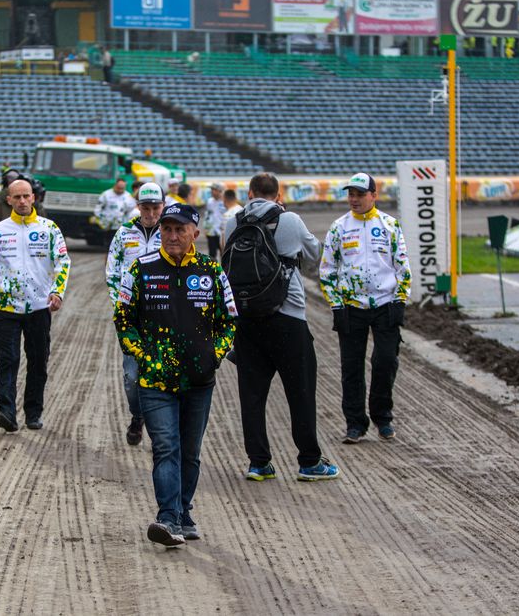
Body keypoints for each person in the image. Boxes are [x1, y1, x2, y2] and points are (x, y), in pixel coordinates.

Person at [113, 203, 236, 547]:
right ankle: (167, 518)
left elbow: (229, 321)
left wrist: (215, 354)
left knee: (190, 452)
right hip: (156, 381)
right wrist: (144, 356)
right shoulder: (140, 269)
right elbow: (123, 320)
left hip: (199, 381)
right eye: (166, 229)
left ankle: (183, 512)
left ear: (195, 233)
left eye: (180, 229)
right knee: (165, 447)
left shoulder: (212, 272)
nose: (171, 236)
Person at [223, 173, 339, 482]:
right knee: (300, 391)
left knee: (252, 394)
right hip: (288, 316)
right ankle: (309, 461)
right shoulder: (290, 219)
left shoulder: (232, 222)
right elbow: (316, 254)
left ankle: (259, 463)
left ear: (249, 193)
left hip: (246, 317)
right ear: (278, 194)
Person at [319, 172, 411, 444]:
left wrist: (400, 301)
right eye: (351, 194)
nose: (354, 199)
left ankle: (383, 418)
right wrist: (336, 306)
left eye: (360, 194)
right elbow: (327, 270)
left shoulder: (390, 225)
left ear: (374, 195)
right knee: (351, 368)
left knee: (385, 361)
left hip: (385, 305)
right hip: (351, 306)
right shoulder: (339, 227)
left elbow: (403, 267)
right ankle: (355, 423)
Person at [0, 178, 70, 433]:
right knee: (7, 360)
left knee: (38, 361)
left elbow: (63, 261)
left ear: (33, 198)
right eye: (16, 197)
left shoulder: (49, 228)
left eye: (26, 196)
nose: (21, 201)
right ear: (8, 199)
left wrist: (57, 292)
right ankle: (6, 411)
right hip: (5, 307)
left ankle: (33, 413)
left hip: (39, 306)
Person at [104, 182, 164, 445]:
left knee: (163, 373)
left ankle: (160, 430)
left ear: (163, 206)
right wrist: (122, 307)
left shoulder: (171, 232)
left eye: (155, 207)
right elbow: (111, 272)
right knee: (132, 377)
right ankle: (137, 415)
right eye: (145, 207)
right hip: (132, 318)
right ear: (138, 206)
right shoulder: (123, 233)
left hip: (164, 316)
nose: (150, 213)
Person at [201, 182, 226, 257]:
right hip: (211, 232)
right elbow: (207, 215)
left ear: (219, 191)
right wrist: (205, 228)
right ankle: (213, 269)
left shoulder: (225, 201)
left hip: (222, 232)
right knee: (212, 254)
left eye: (213, 189)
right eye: (211, 189)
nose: (211, 191)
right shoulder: (209, 201)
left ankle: (224, 268)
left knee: (224, 253)